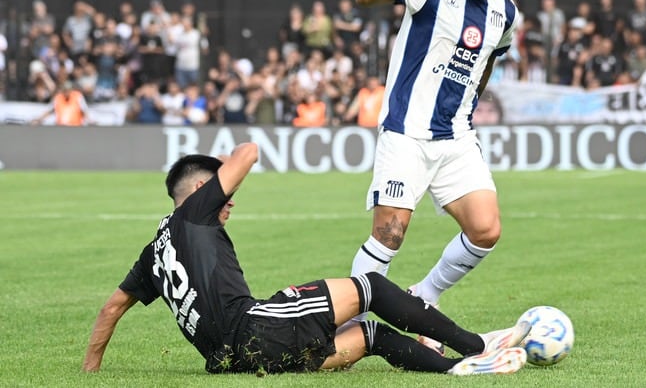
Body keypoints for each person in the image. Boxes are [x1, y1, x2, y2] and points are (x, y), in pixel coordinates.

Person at [82, 144, 530, 376]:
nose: (230, 202)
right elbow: (249, 153)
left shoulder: (153, 251)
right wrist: (225, 170)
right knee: (370, 288)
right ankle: (477, 346)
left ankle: (459, 368)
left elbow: (111, 309)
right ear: (201, 191)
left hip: (233, 361)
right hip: (257, 329)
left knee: (370, 335)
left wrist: (91, 371)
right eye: (224, 193)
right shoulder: (195, 211)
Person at [348, 0, 520, 354]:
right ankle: (353, 325)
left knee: (486, 229)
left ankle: (425, 293)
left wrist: (465, 111)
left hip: (456, 136)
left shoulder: (506, 12)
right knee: (389, 234)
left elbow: (487, 65)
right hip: (406, 132)